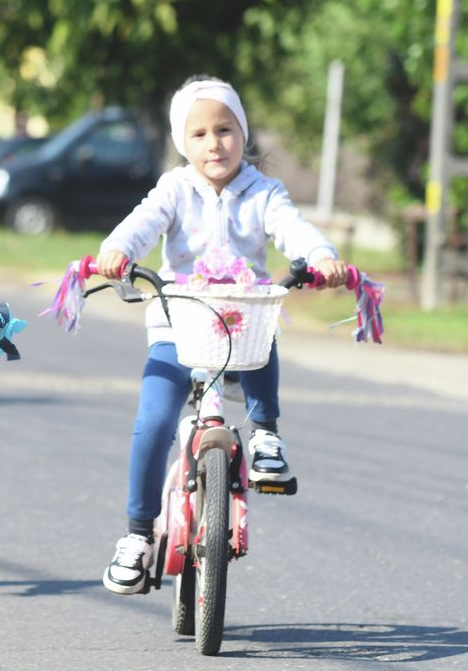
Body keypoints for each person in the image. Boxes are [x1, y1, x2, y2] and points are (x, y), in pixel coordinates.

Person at [94, 76, 350, 595]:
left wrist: (320, 256)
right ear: (182, 145)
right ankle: (138, 536)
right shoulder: (173, 189)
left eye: (225, 129)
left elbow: (293, 228)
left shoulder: (264, 192)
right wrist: (117, 250)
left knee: (264, 319)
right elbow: (141, 224)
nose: (214, 143)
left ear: (243, 133)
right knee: (153, 420)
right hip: (178, 324)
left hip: (240, 325)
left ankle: (265, 433)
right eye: (200, 134)